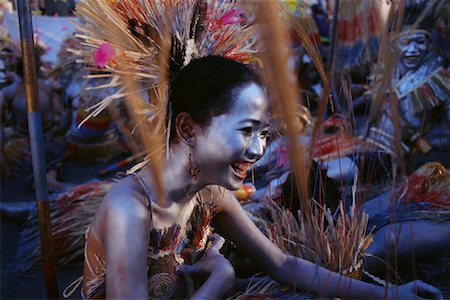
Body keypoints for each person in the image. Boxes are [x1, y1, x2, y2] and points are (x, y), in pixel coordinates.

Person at [81, 56, 443, 299]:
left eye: (264, 134)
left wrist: (389, 294)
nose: (258, 150)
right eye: (246, 131)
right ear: (188, 128)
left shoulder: (210, 194)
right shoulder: (132, 209)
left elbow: (282, 263)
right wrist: (219, 282)